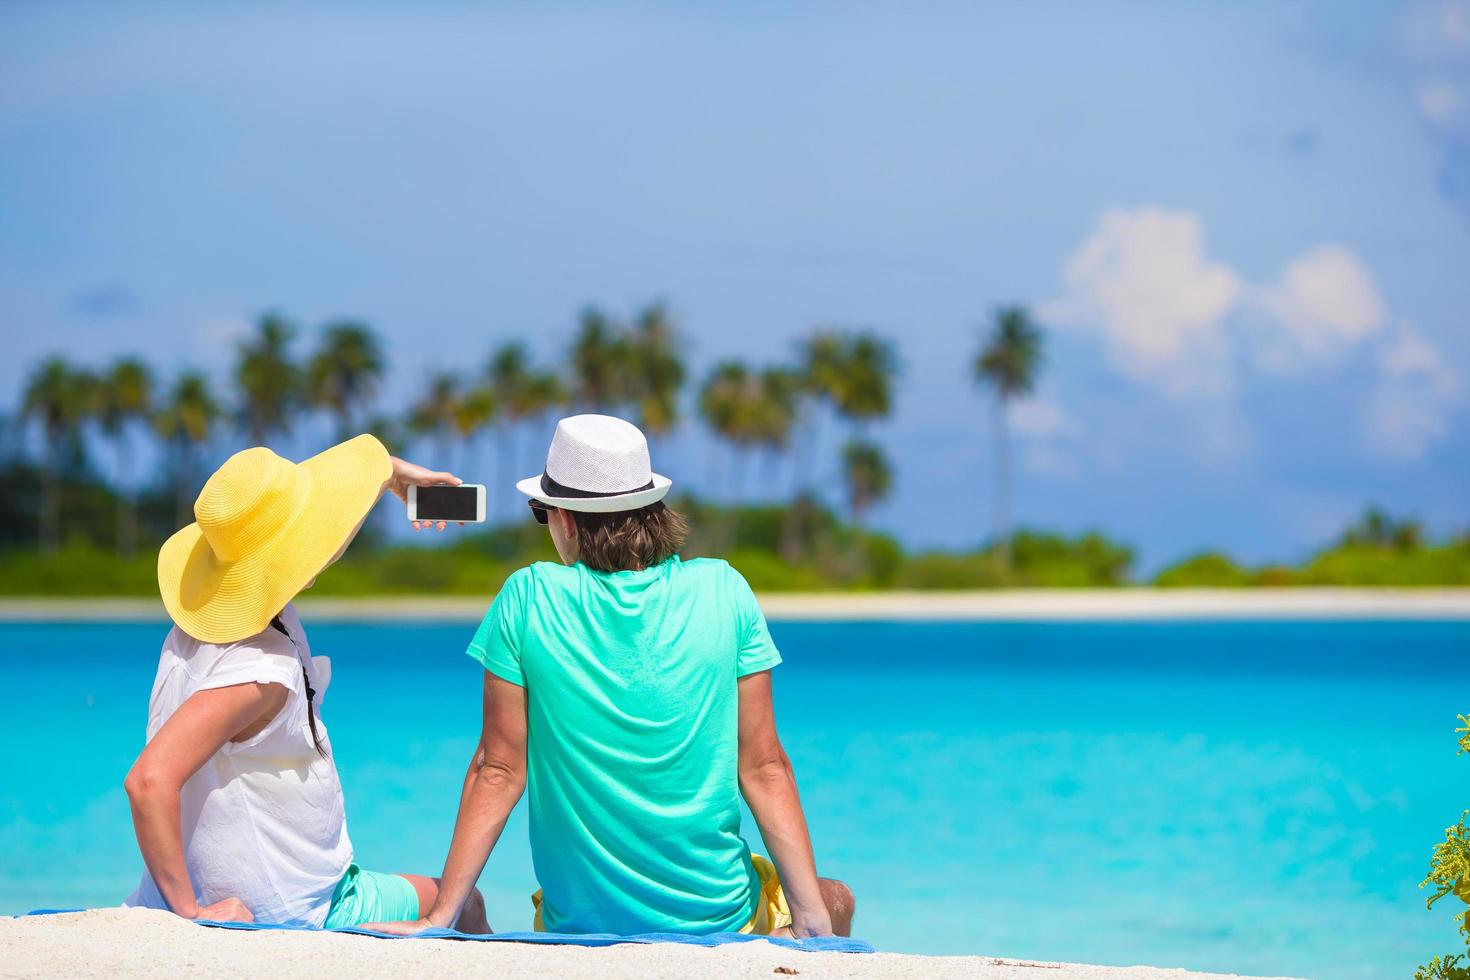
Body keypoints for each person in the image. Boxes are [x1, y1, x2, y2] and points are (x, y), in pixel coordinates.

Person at [371, 414, 854, 938]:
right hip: (719, 919)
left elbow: (497, 769)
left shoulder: (527, 597)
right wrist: (810, 920)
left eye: (542, 513)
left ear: (569, 520)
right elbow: (765, 766)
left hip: (575, 924)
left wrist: (440, 917)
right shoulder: (725, 590)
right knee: (835, 899)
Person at [122, 434, 489, 932]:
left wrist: (388, 477)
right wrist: (191, 915)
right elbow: (149, 781)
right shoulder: (262, 671)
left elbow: (331, 532)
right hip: (298, 904)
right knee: (464, 902)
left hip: (193, 886)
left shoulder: (197, 629)